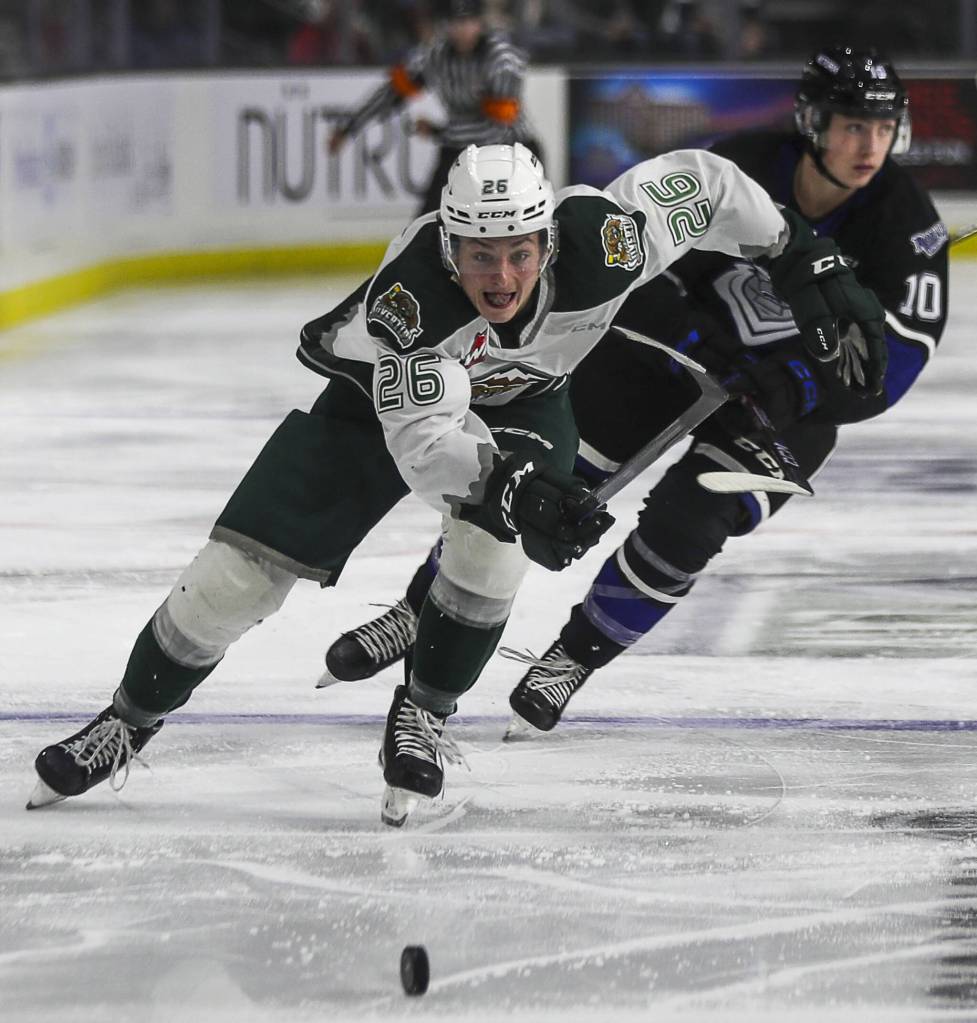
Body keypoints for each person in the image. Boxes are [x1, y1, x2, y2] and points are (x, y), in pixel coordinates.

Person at [28, 139, 886, 827]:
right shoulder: (412, 307)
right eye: (479, 254)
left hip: (531, 398)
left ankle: (426, 714)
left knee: (488, 563)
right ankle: (124, 721)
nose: (501, 277)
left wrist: (798, 250)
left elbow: (704, 181)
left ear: (548, 239)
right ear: (448, 247)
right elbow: (426, 445)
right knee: (234, 577)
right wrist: (510, 487)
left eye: (518, 251)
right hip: (376, 402)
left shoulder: (607, 240)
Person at [320, 46, 947, 735]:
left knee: (692, 524)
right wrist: (688, 338)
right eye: (852, 125)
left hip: (789, 408)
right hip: (666, 358)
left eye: (882, 128)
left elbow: (900, 356)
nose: (869, 145)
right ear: (812, 121)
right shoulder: (744, 165)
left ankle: (571, 657)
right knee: (537, 474)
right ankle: (421, 610)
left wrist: (793, 381)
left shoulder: (905, 223)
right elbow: (637, 264)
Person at [328, 0, 541, 215]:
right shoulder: (435, 56)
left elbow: (498, 125)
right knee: (426, 227)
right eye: (455, 22)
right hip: (459, 150)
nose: (462, 30)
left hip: (511, 151)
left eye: (468, 21)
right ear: (445, 25)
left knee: (517, 222)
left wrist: (439, 131)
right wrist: (349, 127)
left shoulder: (501, 58)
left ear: (480, 23)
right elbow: (390, 93)